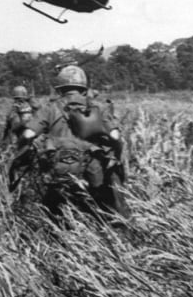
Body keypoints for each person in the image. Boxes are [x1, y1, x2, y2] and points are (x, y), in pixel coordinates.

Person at [13, 65, 130, 219]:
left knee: (56, 215)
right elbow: (115, 136)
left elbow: (28, 134)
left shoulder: (49, 108)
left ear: (60, 89)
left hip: (59, 169)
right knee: (104, 211)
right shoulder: (98, 107)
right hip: (93, 172)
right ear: (83, 88)